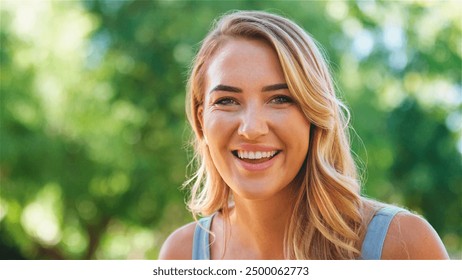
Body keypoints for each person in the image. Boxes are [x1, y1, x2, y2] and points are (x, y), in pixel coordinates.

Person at [159, 10, 449, 260]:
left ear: (314, 115)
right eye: (226, 101)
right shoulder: (181, 254)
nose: (251, 128)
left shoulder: (402, 245)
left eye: (280, 99)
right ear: (200, 122)